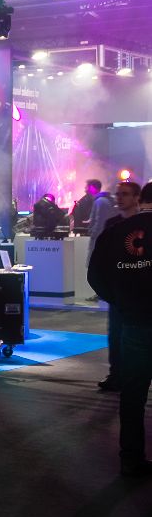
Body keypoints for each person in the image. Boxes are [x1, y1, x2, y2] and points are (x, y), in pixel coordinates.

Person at [86, 195, 152, 478]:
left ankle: (131, 459)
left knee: (133, 394)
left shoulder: (115, 232)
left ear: (142, 200)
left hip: (133, 322)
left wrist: (121, 302)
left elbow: (95, 276)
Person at [96, 181, 145, 392]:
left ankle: (135, 377)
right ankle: (116, 375)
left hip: (141, 292)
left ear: (136, 198)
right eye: (118, 194)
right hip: (119, 292)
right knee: (115, 334)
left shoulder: (144, 224)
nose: (119, 198)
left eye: (124, 194)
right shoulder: (112, 224)